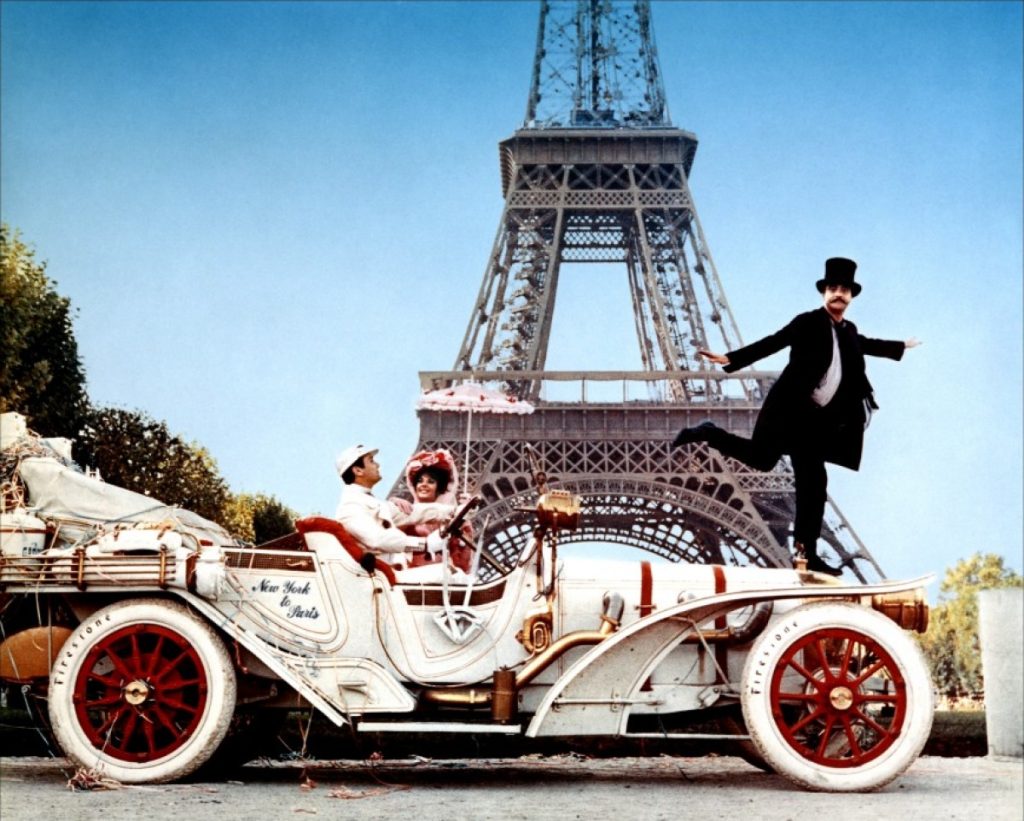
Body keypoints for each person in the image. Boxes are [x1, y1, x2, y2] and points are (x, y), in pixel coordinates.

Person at [672, 257, 920, 576]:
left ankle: (806, 552)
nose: (838, 293)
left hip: (814, 423)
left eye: (844, 289)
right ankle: (710, 432)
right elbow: (775, 341)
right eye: (833, 288)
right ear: (824, 293)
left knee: (814, 484)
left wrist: (901, 346)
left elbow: (865, 344)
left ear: (851, 296)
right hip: (787, 410)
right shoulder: (807, 322)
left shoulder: (849, 332)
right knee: (761, 460)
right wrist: (730, 358)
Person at [334, 444, 454, 569]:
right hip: (378, 574)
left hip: (386, 572)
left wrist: (452, 511)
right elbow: (378, 539)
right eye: (371, 461)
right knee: (450, 573)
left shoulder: (368, 501)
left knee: (452, 573)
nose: (377, 465)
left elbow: (413, 512)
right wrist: (425, 544)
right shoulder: (350, 506)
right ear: (358, 471)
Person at [394, 449, 475, 573]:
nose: (424, 484)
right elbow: (391, 541)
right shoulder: (407, 511)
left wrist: (463, 518)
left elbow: (462, 561)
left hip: (443, 575)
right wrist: (392, 505)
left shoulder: (448, 517)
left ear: (439, 488)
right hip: (414, 573)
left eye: (431, 482)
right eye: (420, 481)